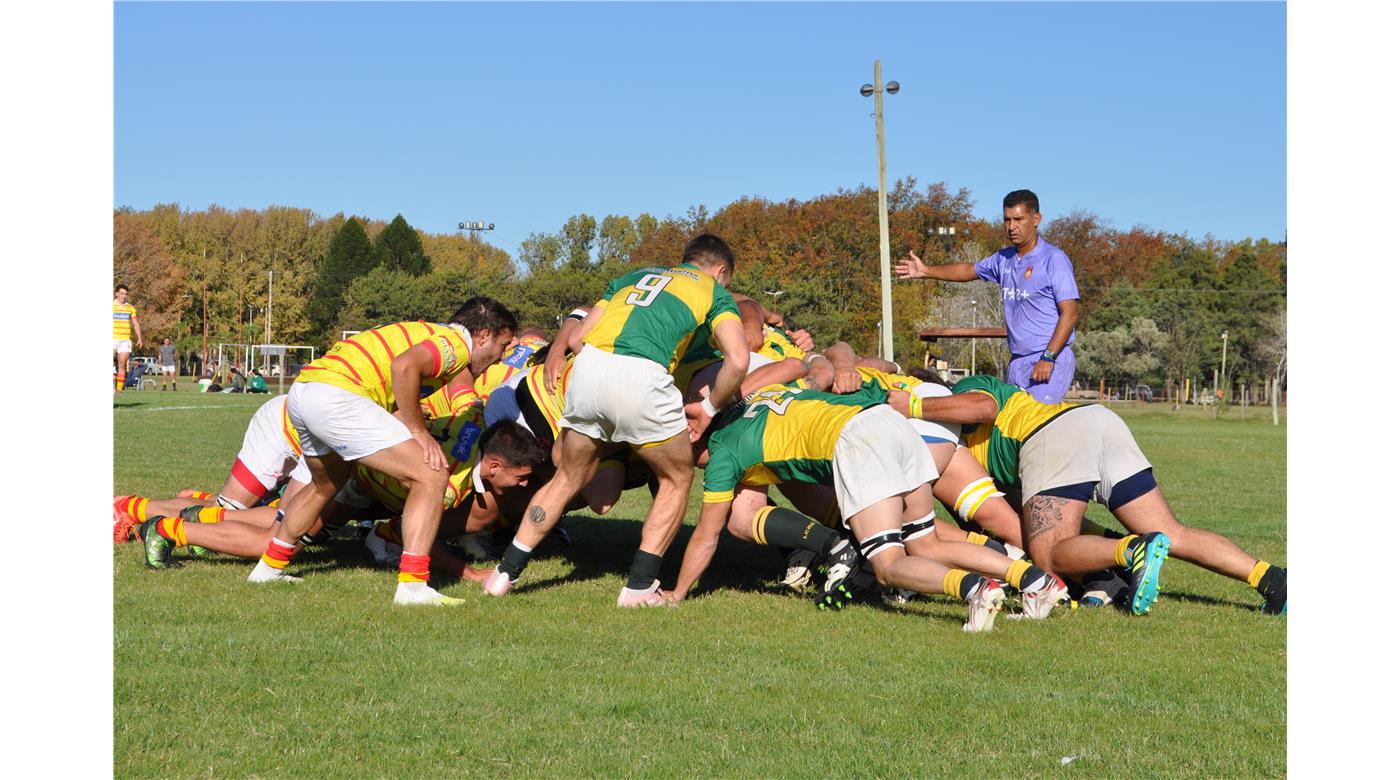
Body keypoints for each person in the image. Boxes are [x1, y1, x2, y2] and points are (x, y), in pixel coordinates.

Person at [482, 233, 750, 607]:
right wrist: (708, 409)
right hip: (642, 375)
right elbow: (738, 361)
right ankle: (639, 587)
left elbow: (578, 338)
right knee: (677, 477)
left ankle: (503, 574)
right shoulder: (714, 292)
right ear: (721, 271)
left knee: (567, 478)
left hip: (588, 370)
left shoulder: (634, 276)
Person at [673, 379, 1068, 630]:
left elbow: (707, 534)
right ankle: (1036, 581)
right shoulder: (760, 396)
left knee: (888, 565)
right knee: (927, 543)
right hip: (890, 423)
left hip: (858, 441)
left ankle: (975, 589)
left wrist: (676, 595)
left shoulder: (722, 453)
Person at [893, 374, 1287, 615]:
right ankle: (1272, 581)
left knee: (1048, 553)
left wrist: (913, 404)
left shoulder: (966, 389)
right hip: (1097, 424)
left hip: (1052, 436)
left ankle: (1133, 552)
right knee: (1171, 531)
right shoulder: (958, 454)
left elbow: (982, 406)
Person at [246, 297, 517, 607]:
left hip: (304, 390)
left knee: (327, 483)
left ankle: (269, 566)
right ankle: (413, 588)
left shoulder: (429, 333)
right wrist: (418, 433)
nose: (501, 356)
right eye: (503, 344)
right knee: (431, 474)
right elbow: (404, 366)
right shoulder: (456, 343)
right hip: (338, 396)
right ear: (483, 335)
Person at [896, 190, 1080, 403]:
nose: (1012, 227)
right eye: (1007, 220)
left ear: (1036, 219)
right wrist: (926, 271)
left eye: (1019, 219)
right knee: (1009, 430)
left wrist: (1048, 357)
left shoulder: (1054, 260)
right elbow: (967, 270)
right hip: (1017, 363)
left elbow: (1071, 313)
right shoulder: (1003, 260)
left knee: (1033, 426)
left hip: (1049, 359)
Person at [113, 284, 142, 394]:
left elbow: (135, 324)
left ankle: (119, 389)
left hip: (125, 339)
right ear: (116, 294)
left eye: (126, 294)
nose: (124, 296)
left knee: (122, 364)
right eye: (122, 293)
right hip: (112, 338)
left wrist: (139, 338)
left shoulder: (130, 308)